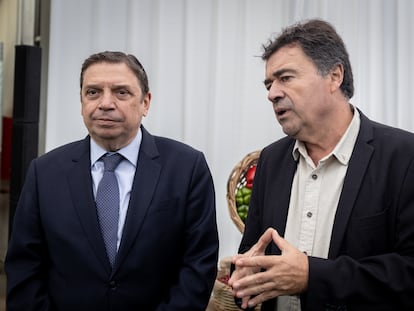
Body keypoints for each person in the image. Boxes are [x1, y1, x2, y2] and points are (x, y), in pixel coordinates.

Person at [5, 51, 219, 311]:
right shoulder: (45, 172)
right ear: (82, 101)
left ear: (145, 103)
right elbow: (24, 268)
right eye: (93, 92)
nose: (105, 103)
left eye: (121, 92)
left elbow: (198, 265)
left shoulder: (187, 168)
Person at [228, 19, 414, 311]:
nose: (272, 93)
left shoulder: (403, 156)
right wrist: (244, 279)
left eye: (285, 78)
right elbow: (250, 258)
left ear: (334, 76)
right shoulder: (270, 162)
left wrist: (312, 277)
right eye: (268, 83)